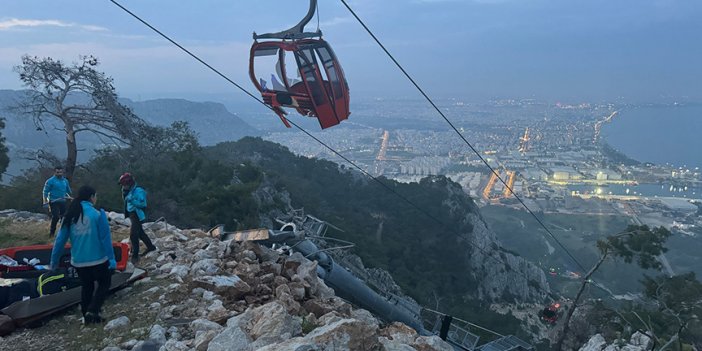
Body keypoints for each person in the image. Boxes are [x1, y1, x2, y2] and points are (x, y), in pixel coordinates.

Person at [49, 185, 115, 324]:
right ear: (91, 197)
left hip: (78, 261)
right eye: (95, 196)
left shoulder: (70, 215)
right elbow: (105, 239)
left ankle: (87, 316)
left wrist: (54, 261)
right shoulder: (97, 214)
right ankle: (93, 310)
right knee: (104, 283)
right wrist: (112, 259)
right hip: (98, 259)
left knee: (87, 286)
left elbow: (59, 241)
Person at [118, 173, 156, 263]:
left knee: (133, 234)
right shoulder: (126, 191)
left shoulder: (139, 191)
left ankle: (135, 255)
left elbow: (143, 204)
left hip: (137, 214)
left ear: (130, 183)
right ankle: (151, 247)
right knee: (140, 233)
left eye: (125, 184)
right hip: (131, 214)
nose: (124, 186)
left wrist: (132, 200)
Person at [42, 166, 72, 237]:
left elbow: (68, 190)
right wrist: (45, 201)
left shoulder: (65, 181)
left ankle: (64, 234)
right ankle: (52, 233)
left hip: (63, 201)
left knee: (64, 217)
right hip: (53, 201)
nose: (59, 174)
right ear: (55, 172)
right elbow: (45, 192)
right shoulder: (50, 181)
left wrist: (70, 197)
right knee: (55, 216)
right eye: (57, 172)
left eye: (61, 172)